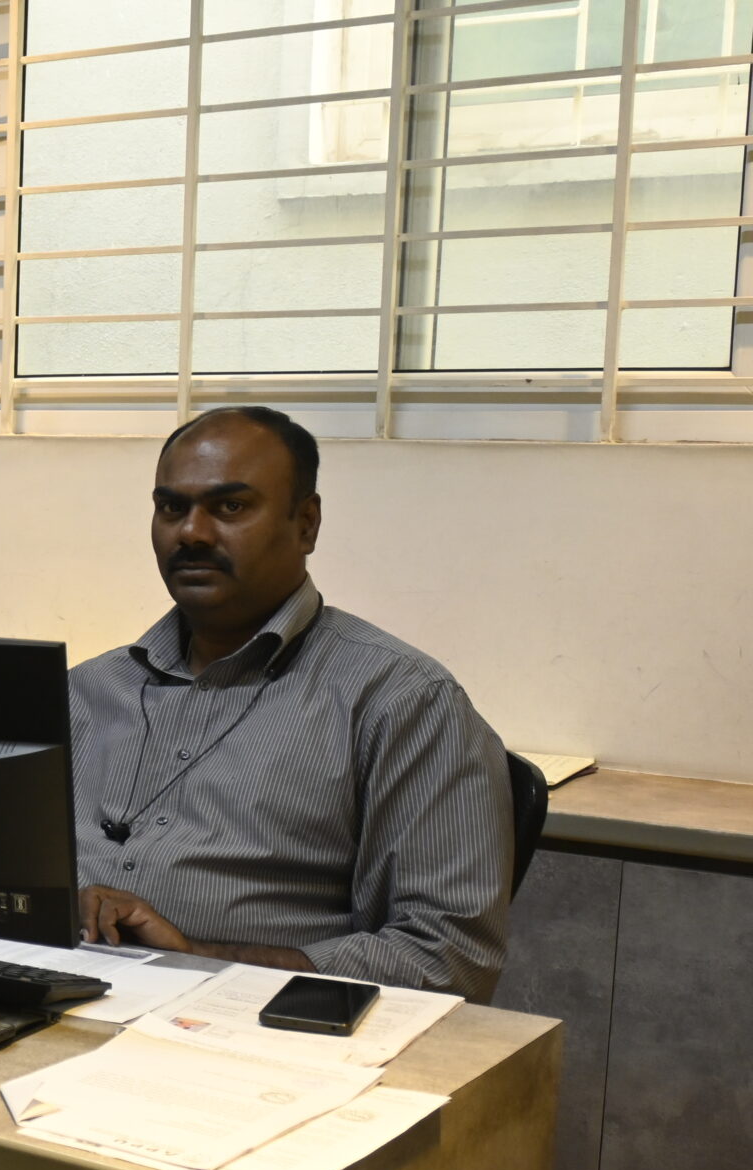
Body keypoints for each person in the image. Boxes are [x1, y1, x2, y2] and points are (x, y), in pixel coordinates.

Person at [68, 406, 513, 999]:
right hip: (48, 999)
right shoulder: (86, 692)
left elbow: (450, 959)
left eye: (230, 507)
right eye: (172, 507)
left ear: (306, 524)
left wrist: (202, 961)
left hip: (252, 1026)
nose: (192, 533)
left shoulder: (401, 701)